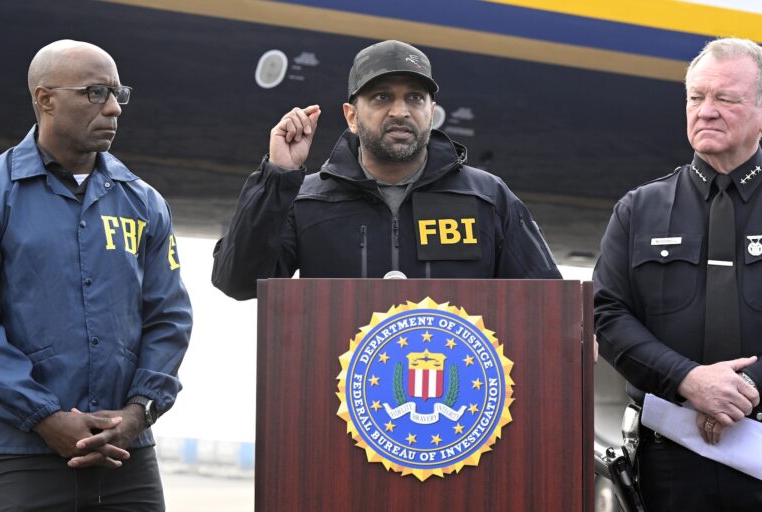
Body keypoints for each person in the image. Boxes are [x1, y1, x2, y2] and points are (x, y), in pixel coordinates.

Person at [0, 40, 192, 511]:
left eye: (117, 93)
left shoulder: (145, 203)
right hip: (19, 455)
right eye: (94, 92)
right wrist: (44, 417)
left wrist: (136, 415)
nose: (113, 108)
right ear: (45, 99)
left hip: (126, 458)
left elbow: (169, 318)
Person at [212, 39, 560, 299]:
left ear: (431, 111)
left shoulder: (487, 199)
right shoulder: (306, 202)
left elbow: (548, 302)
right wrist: (278, 176)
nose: (400, 111)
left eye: (414, 98)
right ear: (351, 116)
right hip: (341, 379)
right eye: (382, 97)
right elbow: (238, 282)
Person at [594, 37, 762, 510]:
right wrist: (688, 380)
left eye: (725, 98)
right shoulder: (639, 209)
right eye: (696, 97)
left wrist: (745, 391)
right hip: (669, 461)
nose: (706, 111)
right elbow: (607, 315)